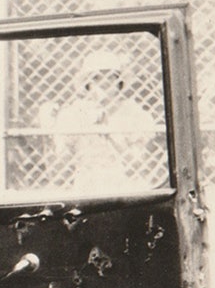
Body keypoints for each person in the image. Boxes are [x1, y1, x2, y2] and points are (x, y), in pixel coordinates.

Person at [46, 50, 160, 193]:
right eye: (96, 77)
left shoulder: (133, 113)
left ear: (119, 82)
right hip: (87, 184)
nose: (104, 83)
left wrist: (109, 131)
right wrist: (52, 133)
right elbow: (60, 166)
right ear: (87, 83)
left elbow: (139, 163)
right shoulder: (74, 113)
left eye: (110, 77)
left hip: (125, 185)